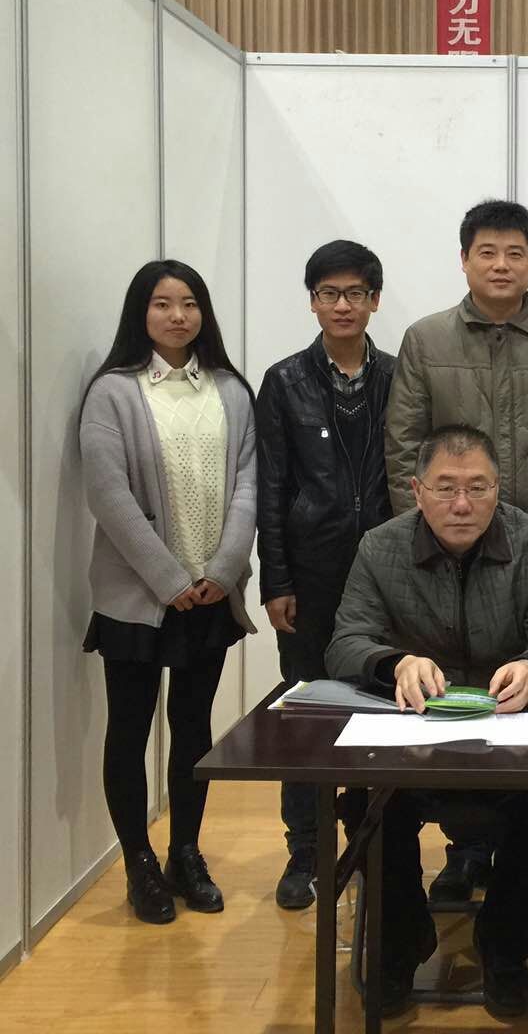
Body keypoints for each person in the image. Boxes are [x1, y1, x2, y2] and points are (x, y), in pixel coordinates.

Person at [384, 198, 528, 901]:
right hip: (443, 559)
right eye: (487, 252)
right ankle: (467, 852)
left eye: (515, 252)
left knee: (526, 693)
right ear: (464, 260)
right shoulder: (425, 340)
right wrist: (423, 546)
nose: (501, 264)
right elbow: (404, 448)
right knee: (455, 694)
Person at [326, 425, 528, 1018]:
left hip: (511, 738)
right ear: (417, 491)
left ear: (499, 488)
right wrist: (395, 662)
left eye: (478, 487)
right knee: (368, 804)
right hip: (413, 740)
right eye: (445, 488)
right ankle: (400, 941)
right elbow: (345, 642)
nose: (462, 504)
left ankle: (504, 944)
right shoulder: (380, 548)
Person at [79, 261, 257, 925]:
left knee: (193, 728)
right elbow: (108, 494)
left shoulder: (231, 390)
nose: (177, 316)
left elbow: (248, 483)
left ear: (203, 312)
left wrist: (224, 568)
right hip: (137, 596)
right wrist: (169, 578)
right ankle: (139, 864)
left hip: (210, 595)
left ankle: (186, 853)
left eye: (189, 303)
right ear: (141, 312)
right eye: (162, 303)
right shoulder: (113, 392)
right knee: (129, 731)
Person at [255, 240, 396, 909]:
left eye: (356, 293)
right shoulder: (285, 381)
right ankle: (306, 852)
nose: (343, 305)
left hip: (386, 572)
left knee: (381, 707)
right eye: (330, 293)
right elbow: (271, 485)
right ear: (313, 301)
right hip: (309, 572)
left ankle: (371, 843)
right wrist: (275, 580)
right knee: (307, 711)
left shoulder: (398, 376)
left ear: (375, 300)